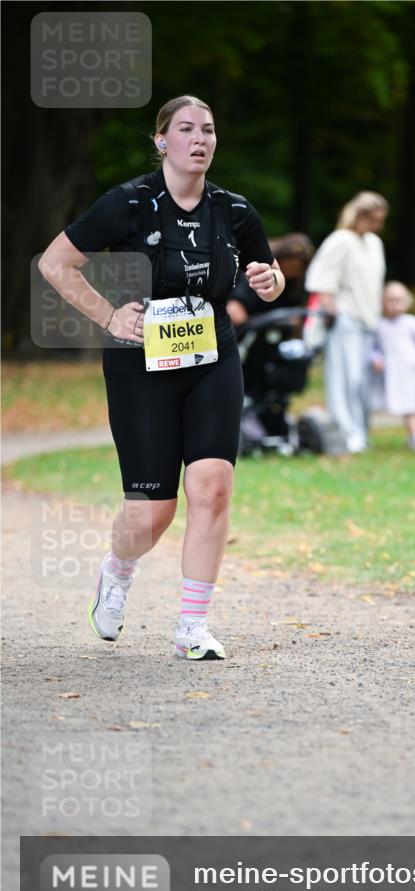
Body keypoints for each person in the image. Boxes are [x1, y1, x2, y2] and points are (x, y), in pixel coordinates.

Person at [38, 95, 285, 658]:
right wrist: (107, 315)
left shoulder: (236, 211)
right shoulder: (128, 202)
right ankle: (118, 570)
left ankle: (192, 628)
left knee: (212, 488)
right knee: (153, 510)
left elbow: (266, 276)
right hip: (139, 362)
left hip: (212, 357)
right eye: (186, 129)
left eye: (209, 130)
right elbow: (55, 263)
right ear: (161, 141)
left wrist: (270, 284)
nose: (200, 139)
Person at [305, 191, 388, 453]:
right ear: (360, 216)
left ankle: (360, 431)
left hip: (368, 320)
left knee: (362, 382)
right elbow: (321, 281)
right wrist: (332, 314)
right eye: (374, 219)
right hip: (345, 320)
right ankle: (345, 432)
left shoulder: (374, 243)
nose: (378, 225)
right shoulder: (340, 240)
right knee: (345, 379)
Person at [371, 281, 415, 453]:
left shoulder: (411, 322)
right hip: (392, 371)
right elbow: (374, 347)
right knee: (397, 403)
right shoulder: (379, 324)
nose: (394, 304)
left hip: (410, 370)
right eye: (390, 299)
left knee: (411, 405)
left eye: (399, 300)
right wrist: (375, 358)